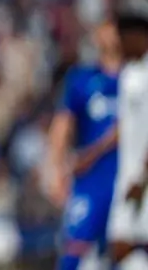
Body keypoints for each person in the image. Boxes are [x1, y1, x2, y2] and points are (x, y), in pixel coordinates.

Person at [46, 20, 120, 270]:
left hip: (127, 180)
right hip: (89, 181)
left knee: (125, 254)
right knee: (72, 254)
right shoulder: (82, 79)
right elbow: (62, 127)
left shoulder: (137, 79)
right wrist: (56, 170)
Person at [107, 10, 148, 270]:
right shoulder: (129, 74)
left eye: (122, 38)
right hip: (128, 175)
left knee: (125, 246)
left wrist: (142, 178)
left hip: (142, 180)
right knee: (121, 246)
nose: (119, 45)